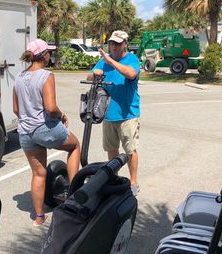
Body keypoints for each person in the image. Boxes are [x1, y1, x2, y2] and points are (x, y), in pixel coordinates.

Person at [13, 39, 80, 226]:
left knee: (39, 173)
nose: (50, 55)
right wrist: (62, 115)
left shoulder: (19, 77)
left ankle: (39, 218)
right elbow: (50, 108)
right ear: (43, 56)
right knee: (74, 146)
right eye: (49, 52)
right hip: (45, 128)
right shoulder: (46, 76)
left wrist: (28, 119)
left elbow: (16, 109)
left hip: (25, 132)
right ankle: (73, 195)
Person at [87, 30, 140, 196]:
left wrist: (110, 61)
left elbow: (131, 74)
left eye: (117, 43)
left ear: (125, 44)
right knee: (111, 149)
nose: (113, 46)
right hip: (108, 113)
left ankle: (133, 182)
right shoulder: (103, 61)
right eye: (111, 43)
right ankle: (114, 178)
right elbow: (89, 76)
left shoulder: (131, 59)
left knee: (130, 150)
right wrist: (94, 74)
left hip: (127, 114)